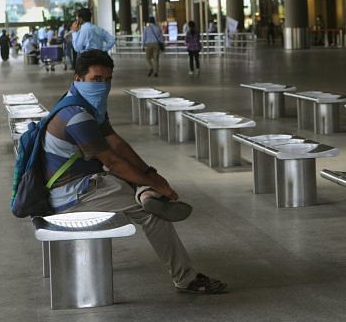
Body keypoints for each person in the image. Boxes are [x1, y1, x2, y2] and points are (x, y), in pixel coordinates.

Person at [42, 50, 227, 294]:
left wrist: (151, 174)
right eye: (96, 79)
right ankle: (186, 277)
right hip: (70, 195)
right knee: (152, 215)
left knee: (137, 181)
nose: (103, 86)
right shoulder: (76, 115)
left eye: (108, 80)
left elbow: (116, 143)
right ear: (78, 78)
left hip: (83, 183)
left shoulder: (85, 105)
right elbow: (113, 161)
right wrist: (158, 184)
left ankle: (145, 192)